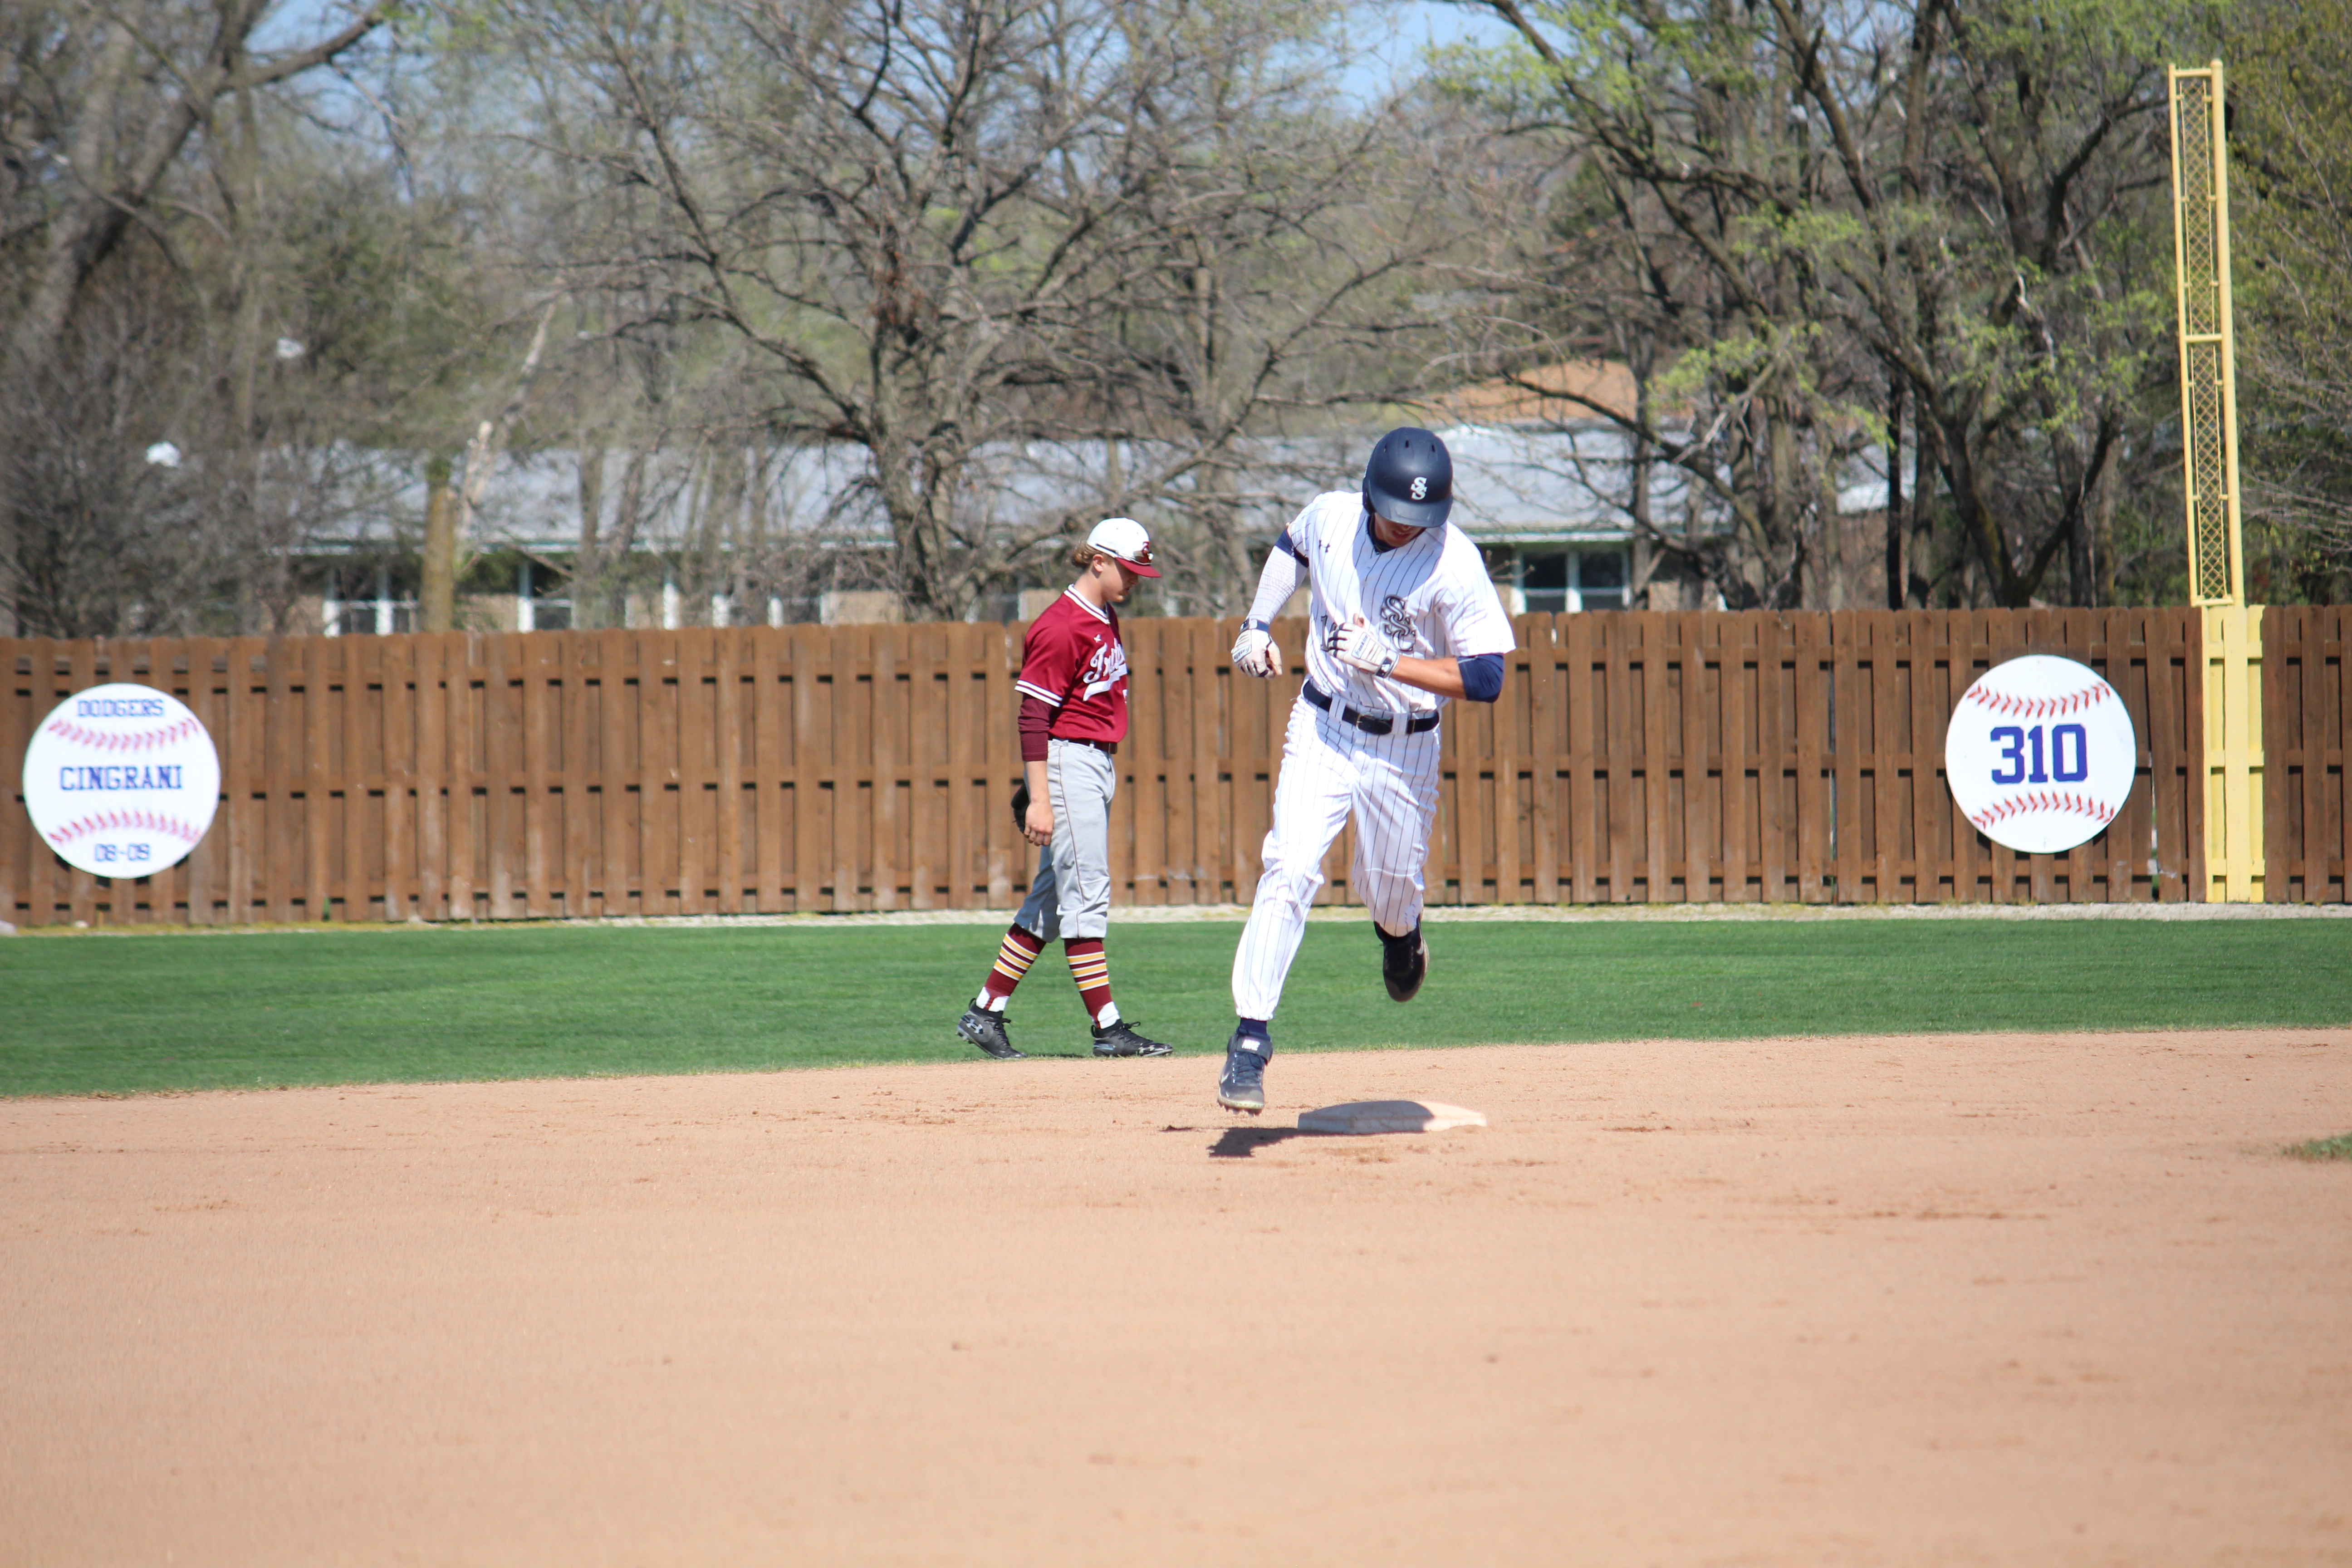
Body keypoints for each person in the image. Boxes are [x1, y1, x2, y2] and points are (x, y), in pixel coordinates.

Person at [1216, 428, 1515, 1112]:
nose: (1404, 527)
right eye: (1394, 512)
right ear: (1369, 494)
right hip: (1322, 722)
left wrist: (1391, 661)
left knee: (1388, 893)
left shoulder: (1455, 563)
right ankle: (1250, 1040)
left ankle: (1401, 936)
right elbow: (1290, 549)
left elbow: (1489, 676)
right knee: (1289, 868)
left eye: (1420, 518)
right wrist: (1258, 624)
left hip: (1404, 743)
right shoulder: (1331, 517)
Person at [955, 517, 1174, 1062]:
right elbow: (1034, 716)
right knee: (1088, 895)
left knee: (1051, 904)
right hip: (1068, 761)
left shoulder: (1105, 616)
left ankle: (985, 1012)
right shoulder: (1060, 625)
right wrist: (1040, 796)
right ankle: (1108, 1028)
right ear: (1097, 560)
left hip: (1092, 762)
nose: (1136, 579)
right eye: (1129, 569)